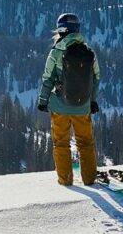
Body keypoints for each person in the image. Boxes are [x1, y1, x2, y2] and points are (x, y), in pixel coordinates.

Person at [36, 13, 100, 186]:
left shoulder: (56, 52)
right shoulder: (89, 52)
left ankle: (65, 181)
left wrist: (43, 101)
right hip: (83, 107)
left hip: (60, 106)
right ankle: (89, 179)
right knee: (85, 143)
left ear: (62, 30)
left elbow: (47, 78)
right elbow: (96, 78)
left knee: (61, 143)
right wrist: (92, 100)